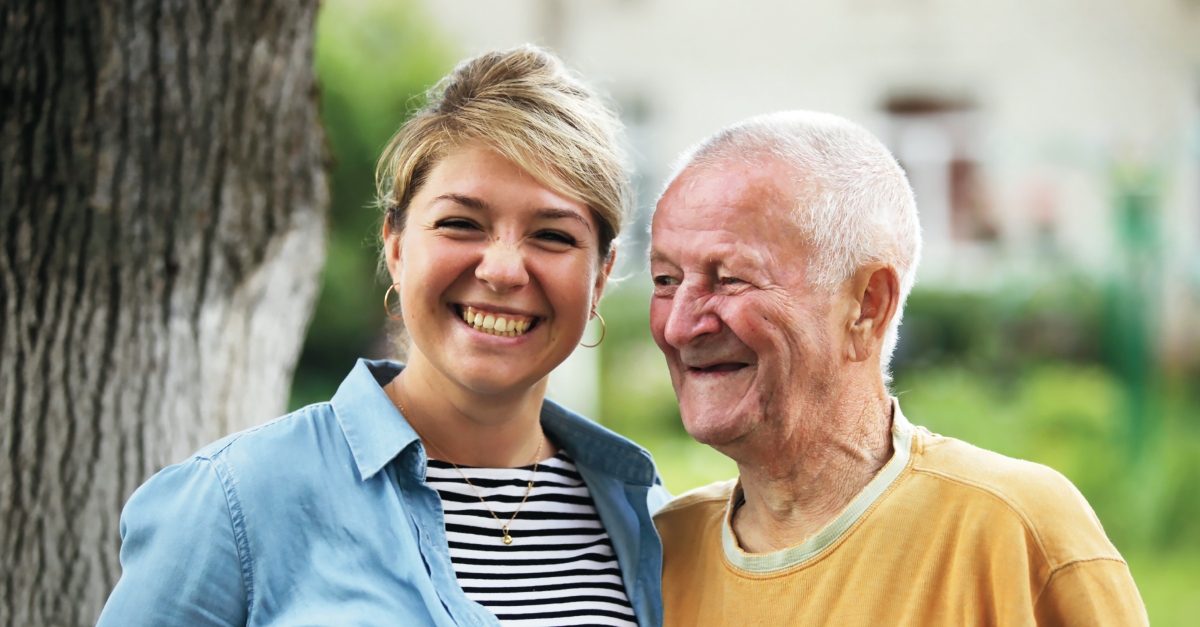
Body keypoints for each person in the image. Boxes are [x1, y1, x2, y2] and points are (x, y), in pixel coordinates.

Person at [98, 45, 669, 627]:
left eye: (552, 235)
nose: (502, 270)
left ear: (599, 276)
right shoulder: (235, 500)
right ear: (396, 248)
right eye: (460, 223)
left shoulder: (649, 518)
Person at [648, 111, 1148, 626]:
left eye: (730, 278)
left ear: (867, 305)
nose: (680, 326)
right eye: (665, 279)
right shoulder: (656, 553)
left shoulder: (1014, 530)